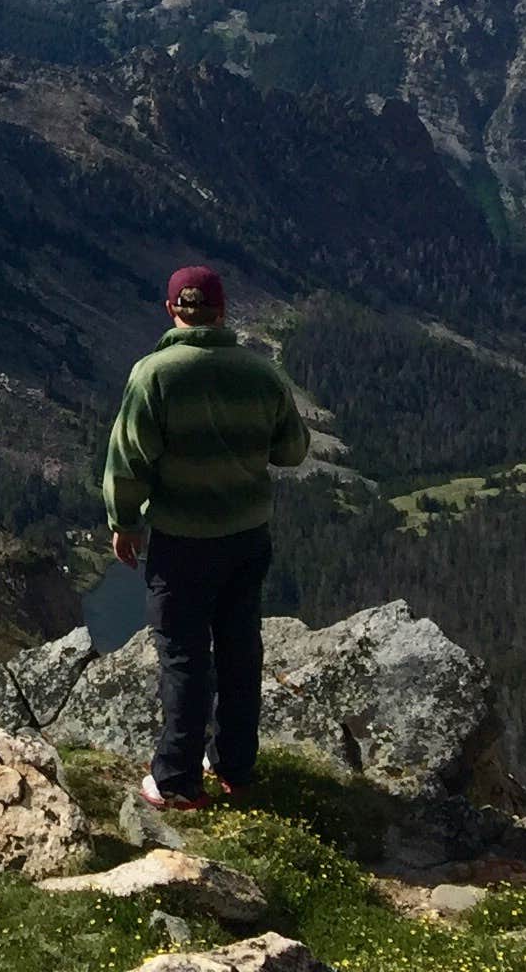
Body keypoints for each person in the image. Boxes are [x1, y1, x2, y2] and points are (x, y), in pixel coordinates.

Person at [101, 263, 310, 810]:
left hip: (181, 541)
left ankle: (176, 779)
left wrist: (124, 522)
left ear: (172, 309)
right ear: (222, 311)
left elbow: (128, 460)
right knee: (240, 648)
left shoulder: (154, 374)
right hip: (247, 537)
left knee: (184, 656)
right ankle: (236, 767)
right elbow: (292, 451)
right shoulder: (262, 374)